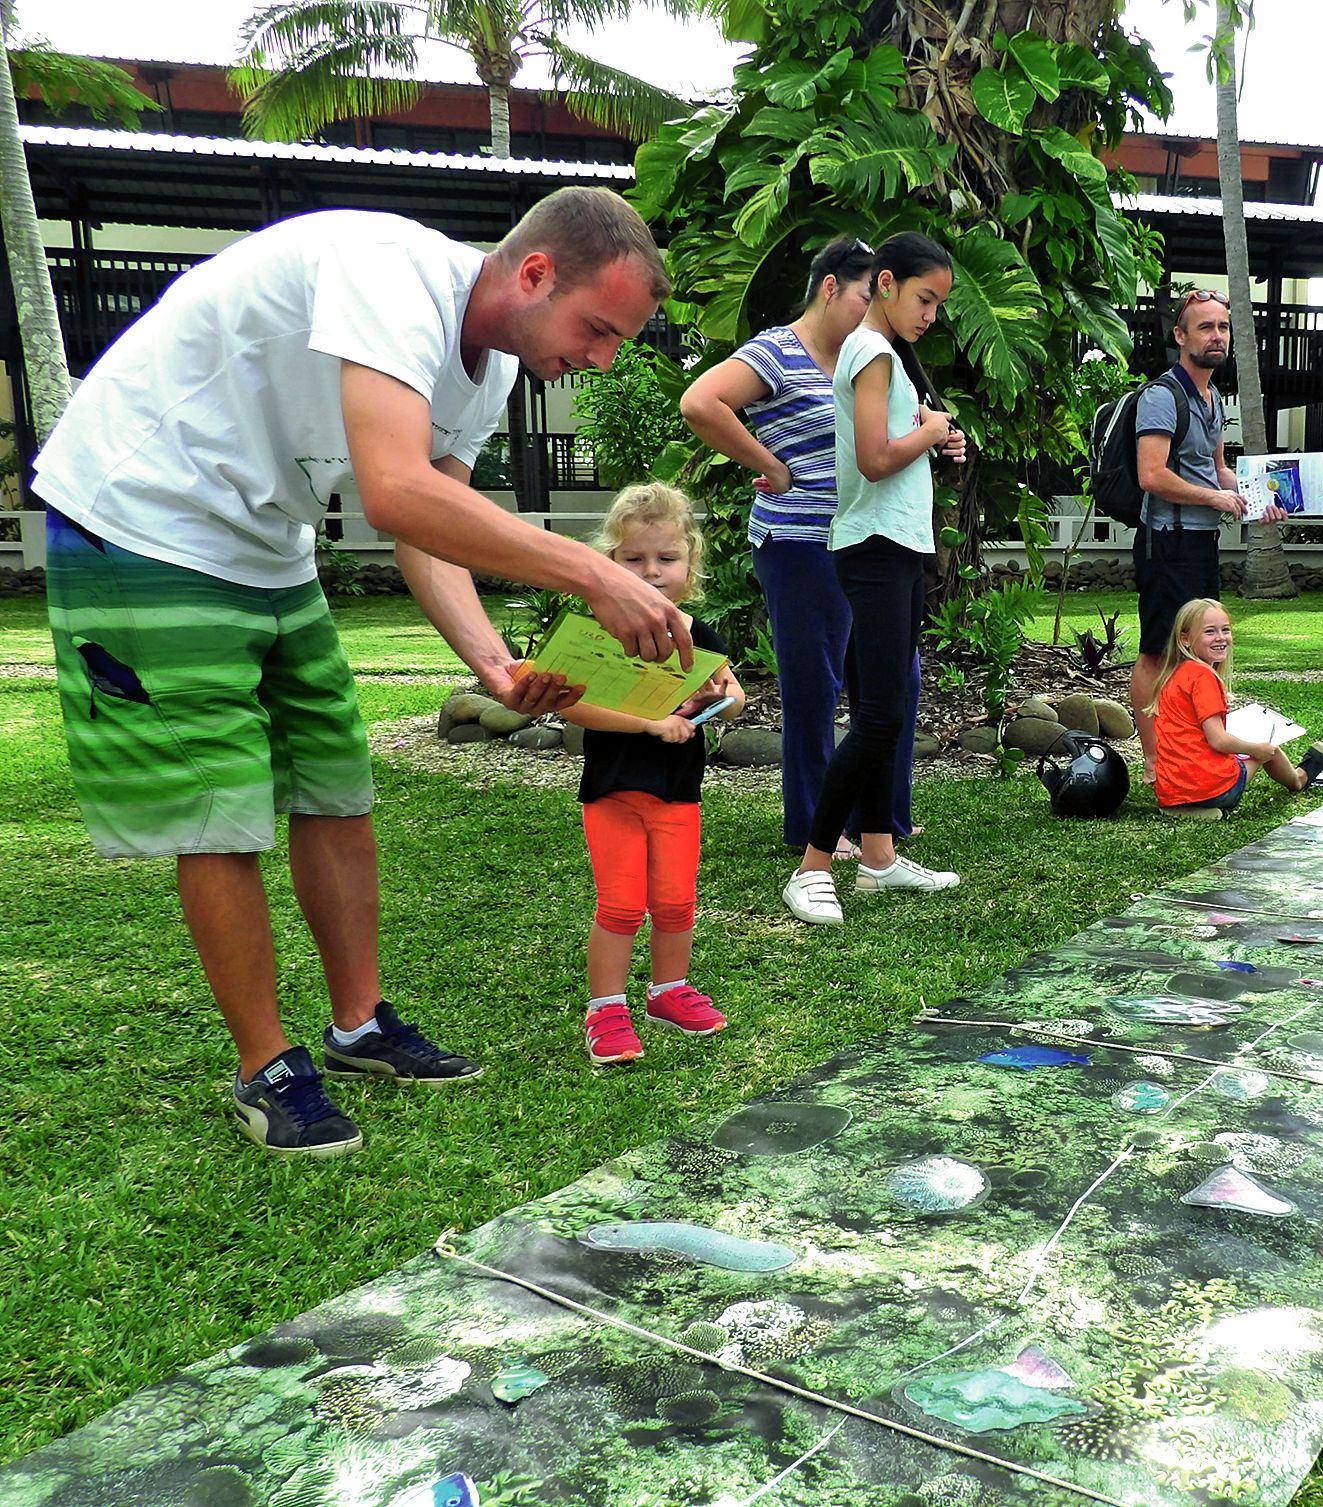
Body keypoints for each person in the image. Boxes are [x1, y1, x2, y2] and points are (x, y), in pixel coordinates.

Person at [34, 187, 691, 1157]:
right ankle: (266, 1064)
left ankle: (357, 1027)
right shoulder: (393, 273)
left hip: (263, 536)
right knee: (219, 799)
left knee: (334, 777)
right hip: (145, 511)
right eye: (597, 329)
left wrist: (494, 666)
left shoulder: (493, 373)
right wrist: (593, 571)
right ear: (535, 273)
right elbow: (393, 486)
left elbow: (426, 531)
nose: (598, 360)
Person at [679, 237, 920, 858]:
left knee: (894, 681)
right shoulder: (777, 351)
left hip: (862, 544)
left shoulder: (870, 358)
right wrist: (770, 464)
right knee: (816, 686)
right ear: (830, 287)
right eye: (867, 295)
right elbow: (701, 402)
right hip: (799, 543)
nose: (875, 308)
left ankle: (882, 822)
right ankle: (813, 828)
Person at [780, 233, 966, 927]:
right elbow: (874, 456)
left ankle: (881, 858)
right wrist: (928, 432)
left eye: (939, 304)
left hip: (895, 546)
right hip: (876, 546)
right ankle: (813, 867)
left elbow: (897, 446)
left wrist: (939, 438)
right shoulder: (872, 349)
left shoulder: (883, 353)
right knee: (882, 713)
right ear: (884, 283)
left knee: (882, 708)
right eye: (924, 298)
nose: (931, 314)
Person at [563, 484, 743, 1064]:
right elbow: (568, 705)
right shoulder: (598, 633)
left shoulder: (700, 636)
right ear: (609, 563)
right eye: (633, 559)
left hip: (678, 795)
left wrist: (716, 700)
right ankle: (606, 1009)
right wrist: (649, 723)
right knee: (619, 905)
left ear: (691, 564)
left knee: (674, 902)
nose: (652, 572)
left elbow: (735, 697)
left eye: (666, 559)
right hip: (613, 792)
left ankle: (668, 990)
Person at [1127, 290, 1286, 781]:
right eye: (1205, 328)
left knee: (1203, 647)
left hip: (1199, 542)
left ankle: (1195, 749)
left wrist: (1255, 501)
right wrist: (1215, 500)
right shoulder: (1162, 395)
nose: (1216, 336)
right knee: (1158, 649)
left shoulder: (1213, 397)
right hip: (1166, 540)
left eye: (1223, 328)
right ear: (1180, 336)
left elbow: (1218, 470)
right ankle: (1155, 758)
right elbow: (1151, 475)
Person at [1146, 598, 1323, 820]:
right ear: (1185, 639)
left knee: (1247, 749)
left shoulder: (1175, 675)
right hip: (1213, 790)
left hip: (1171, 791)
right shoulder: (1204, 677)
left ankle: (1183, 808)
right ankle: (1299, 779)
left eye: (1225, 630)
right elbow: (1218, 741)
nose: (1220, 638)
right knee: (1268, 748)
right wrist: (1256, 750)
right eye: (1210, 632)